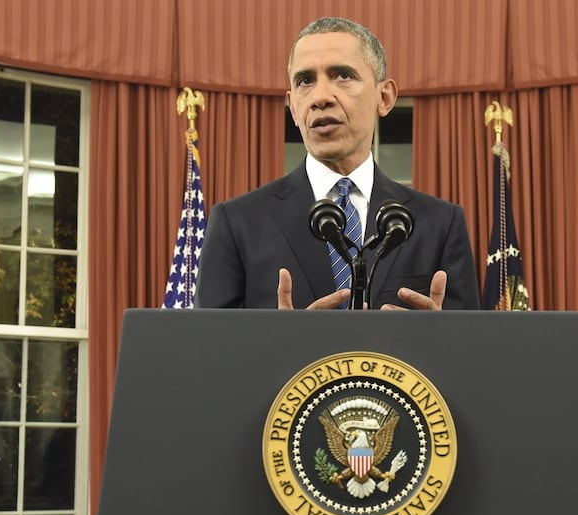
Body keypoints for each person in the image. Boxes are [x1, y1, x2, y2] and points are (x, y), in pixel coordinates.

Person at [195, 16, 479, 310]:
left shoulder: (440, 225)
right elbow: (209, 351)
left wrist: (441, 337)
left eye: (342, 75)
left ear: (384, 97)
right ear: (293, 107)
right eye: (305, 81)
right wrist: (278, 342)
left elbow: (469, 351)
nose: (320, 97)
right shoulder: (237, 223)